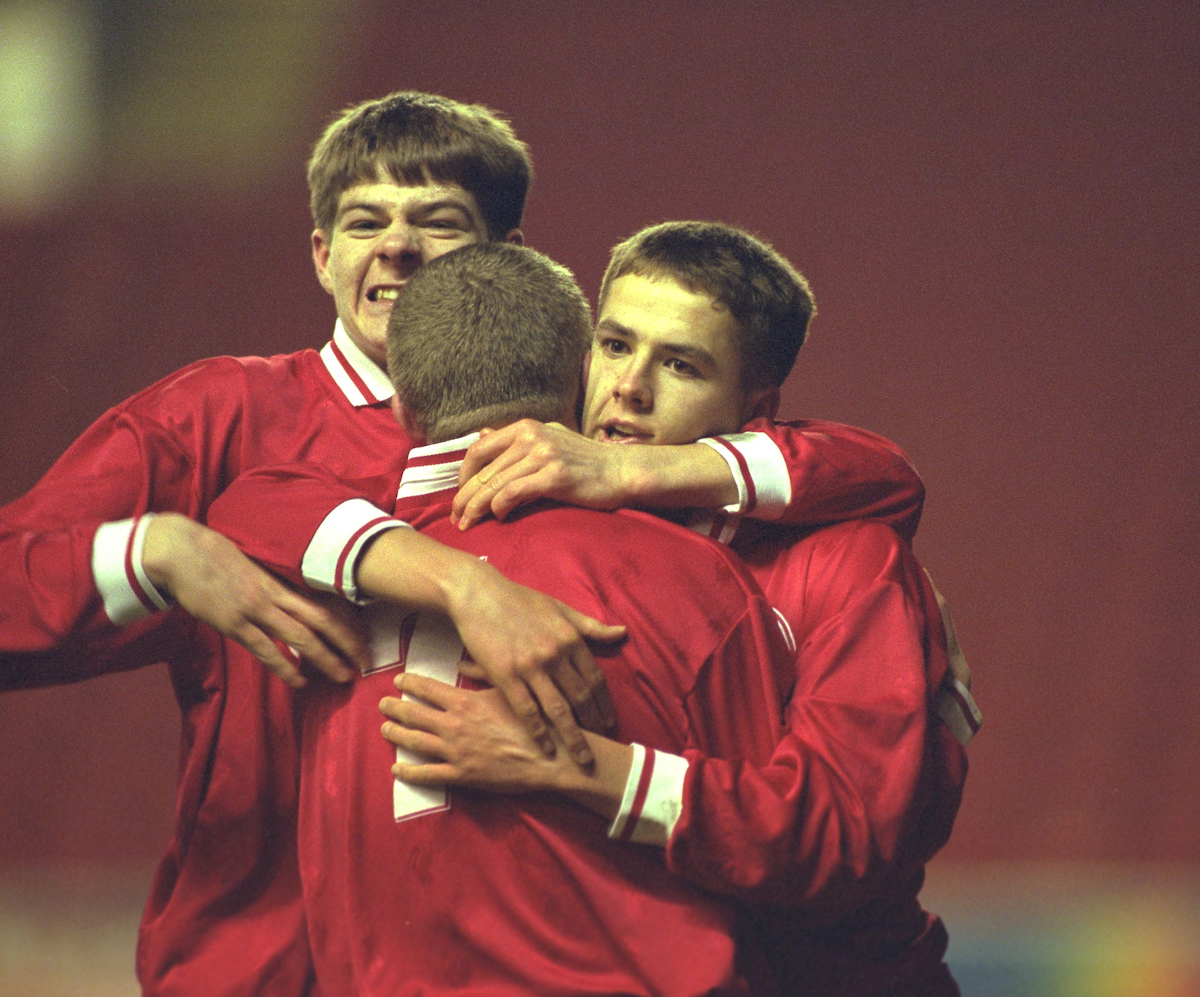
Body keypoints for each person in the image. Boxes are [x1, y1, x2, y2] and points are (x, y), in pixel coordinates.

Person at [0, 91, 628, 995]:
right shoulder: (220, 420)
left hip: (513, 965)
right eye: (364, 221)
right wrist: (156, 550)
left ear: (508, 259)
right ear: (322, 256)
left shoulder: (570, 434)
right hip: (265, 972)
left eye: (438, 222)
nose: (397, 248)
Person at [377, 222, 977, 994]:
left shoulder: (848, 562)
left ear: (755, 407)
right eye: (617, 344)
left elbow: (839, 835)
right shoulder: (523, 509)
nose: (629, 386)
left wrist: (579, 768)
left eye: (682, 365)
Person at [207, 241, 800, 994]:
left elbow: (237, 503)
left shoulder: (289, 588)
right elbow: (778, 856)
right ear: (576, 375)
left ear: (400, 404)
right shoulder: (696, 582)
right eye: (616, 348)